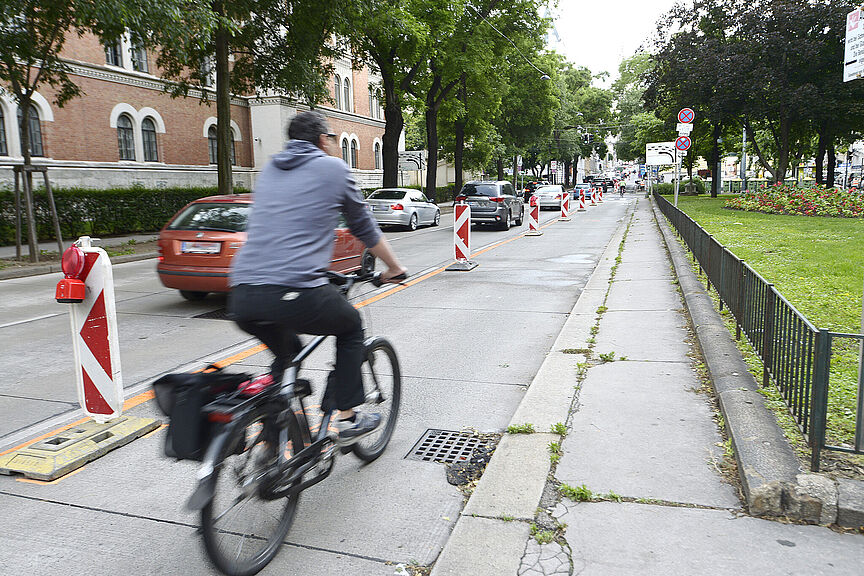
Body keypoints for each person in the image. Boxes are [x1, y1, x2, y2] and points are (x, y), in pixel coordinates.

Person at [228, 110, 406, 445]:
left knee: (287, 353)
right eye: (330, 140)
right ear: (322, 140)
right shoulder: (333, 168)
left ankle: (273, 435)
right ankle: (348, 417)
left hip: (242, 294)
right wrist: (394, 268)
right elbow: (363, 225)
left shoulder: (269, 170)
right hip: (294, 290)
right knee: (350, 325)